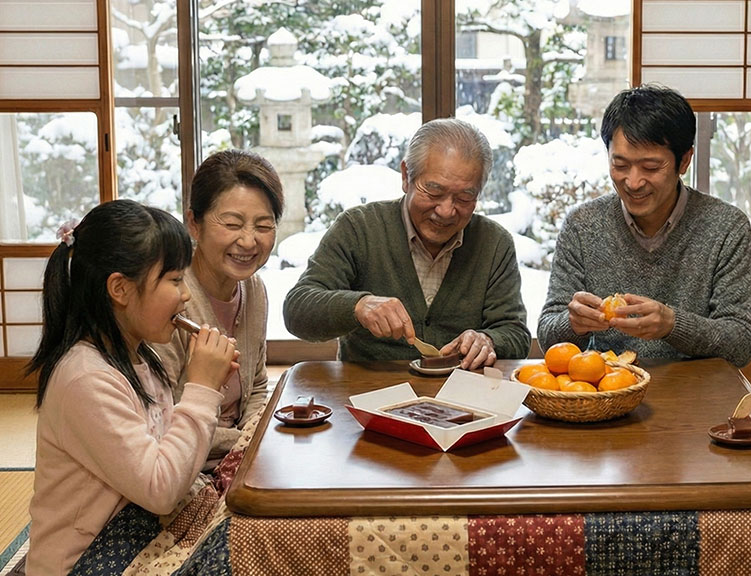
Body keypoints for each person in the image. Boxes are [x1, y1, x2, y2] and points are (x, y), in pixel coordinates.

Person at [25, 200, 238, 575]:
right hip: (88, 561)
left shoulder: (142, 358)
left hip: (139, 536)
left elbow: (171, 457)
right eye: (174, 280)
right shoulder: (85, 378)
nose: (186, 294)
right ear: (120, 289)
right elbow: (161, 489)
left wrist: (207, 386)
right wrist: (202, 388)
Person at [537, 85, 751, 366]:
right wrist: (573, 323)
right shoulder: (582, 225)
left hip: (698, 386)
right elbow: (548, 337)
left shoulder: (726, 227)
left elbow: (742, 343)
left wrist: (673, 325)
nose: (633, 182)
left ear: (685, 160)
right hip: (607, 384)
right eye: (620, 165)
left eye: (651, 167)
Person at [284, 118, 531, 368]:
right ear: (406, 176)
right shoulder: (358, 228)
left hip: (462, 388)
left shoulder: (494, 243)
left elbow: (515, 333)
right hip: (370, 387)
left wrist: (488, 340)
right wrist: (358, 306)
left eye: (465, 198)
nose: (446, 211)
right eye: (434, 192)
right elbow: (297, 309)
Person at [151, 150, 282, 470]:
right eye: (232, 224)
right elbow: (159, 418)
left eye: (264, 225)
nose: (249, 241)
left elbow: (257, 386)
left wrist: (252, 441)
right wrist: (248, 441)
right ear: (193, 224)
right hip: (181, 466)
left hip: (240, 454)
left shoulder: (254, 289)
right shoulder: (170, 298)